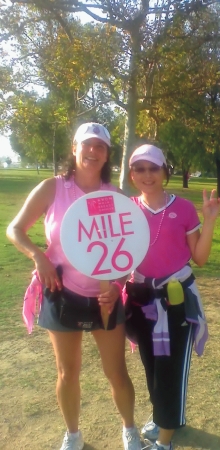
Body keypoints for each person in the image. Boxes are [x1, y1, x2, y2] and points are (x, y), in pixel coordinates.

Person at [6, 123, 142, 450]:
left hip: (105, 298)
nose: (93, 152)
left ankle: (129, 430)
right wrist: (39, 258)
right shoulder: (52, 188)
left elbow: (128, 251)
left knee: (117, 374)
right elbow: (15, 230)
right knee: (68, 372)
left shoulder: (116, 197)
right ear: (75, 147)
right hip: (61, 293)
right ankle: (74, 434)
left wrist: (120, 284)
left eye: (100, 147)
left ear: (107, 154)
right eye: (87, 145)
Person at [124, 144, 220, 450]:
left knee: (170, 370)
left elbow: (200, 258)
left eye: (154, 168)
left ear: (165, 171)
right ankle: (162, 417)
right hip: (139, 299)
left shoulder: (183, 208)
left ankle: (164, 442)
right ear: (131, 174)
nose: (147, 175)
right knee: (152, 367)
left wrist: (210, 220)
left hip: (175, 300)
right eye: (140, 169)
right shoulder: (126, 210)